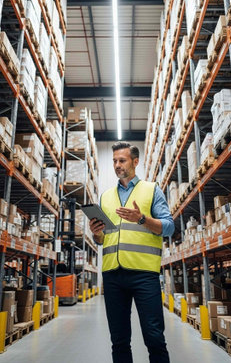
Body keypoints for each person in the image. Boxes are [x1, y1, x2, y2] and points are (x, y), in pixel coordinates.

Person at [89, 141, 174, 363]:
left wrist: (142, 219)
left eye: (122, 160)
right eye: (115, 161)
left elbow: (169, 226)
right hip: (112, 274)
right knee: (118, 340)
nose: (117, 165)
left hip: (144, 274)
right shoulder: (106, 196)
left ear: (135, 162)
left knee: (154, 337)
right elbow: (102, 239)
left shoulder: (151, 189)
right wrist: (96, 233)